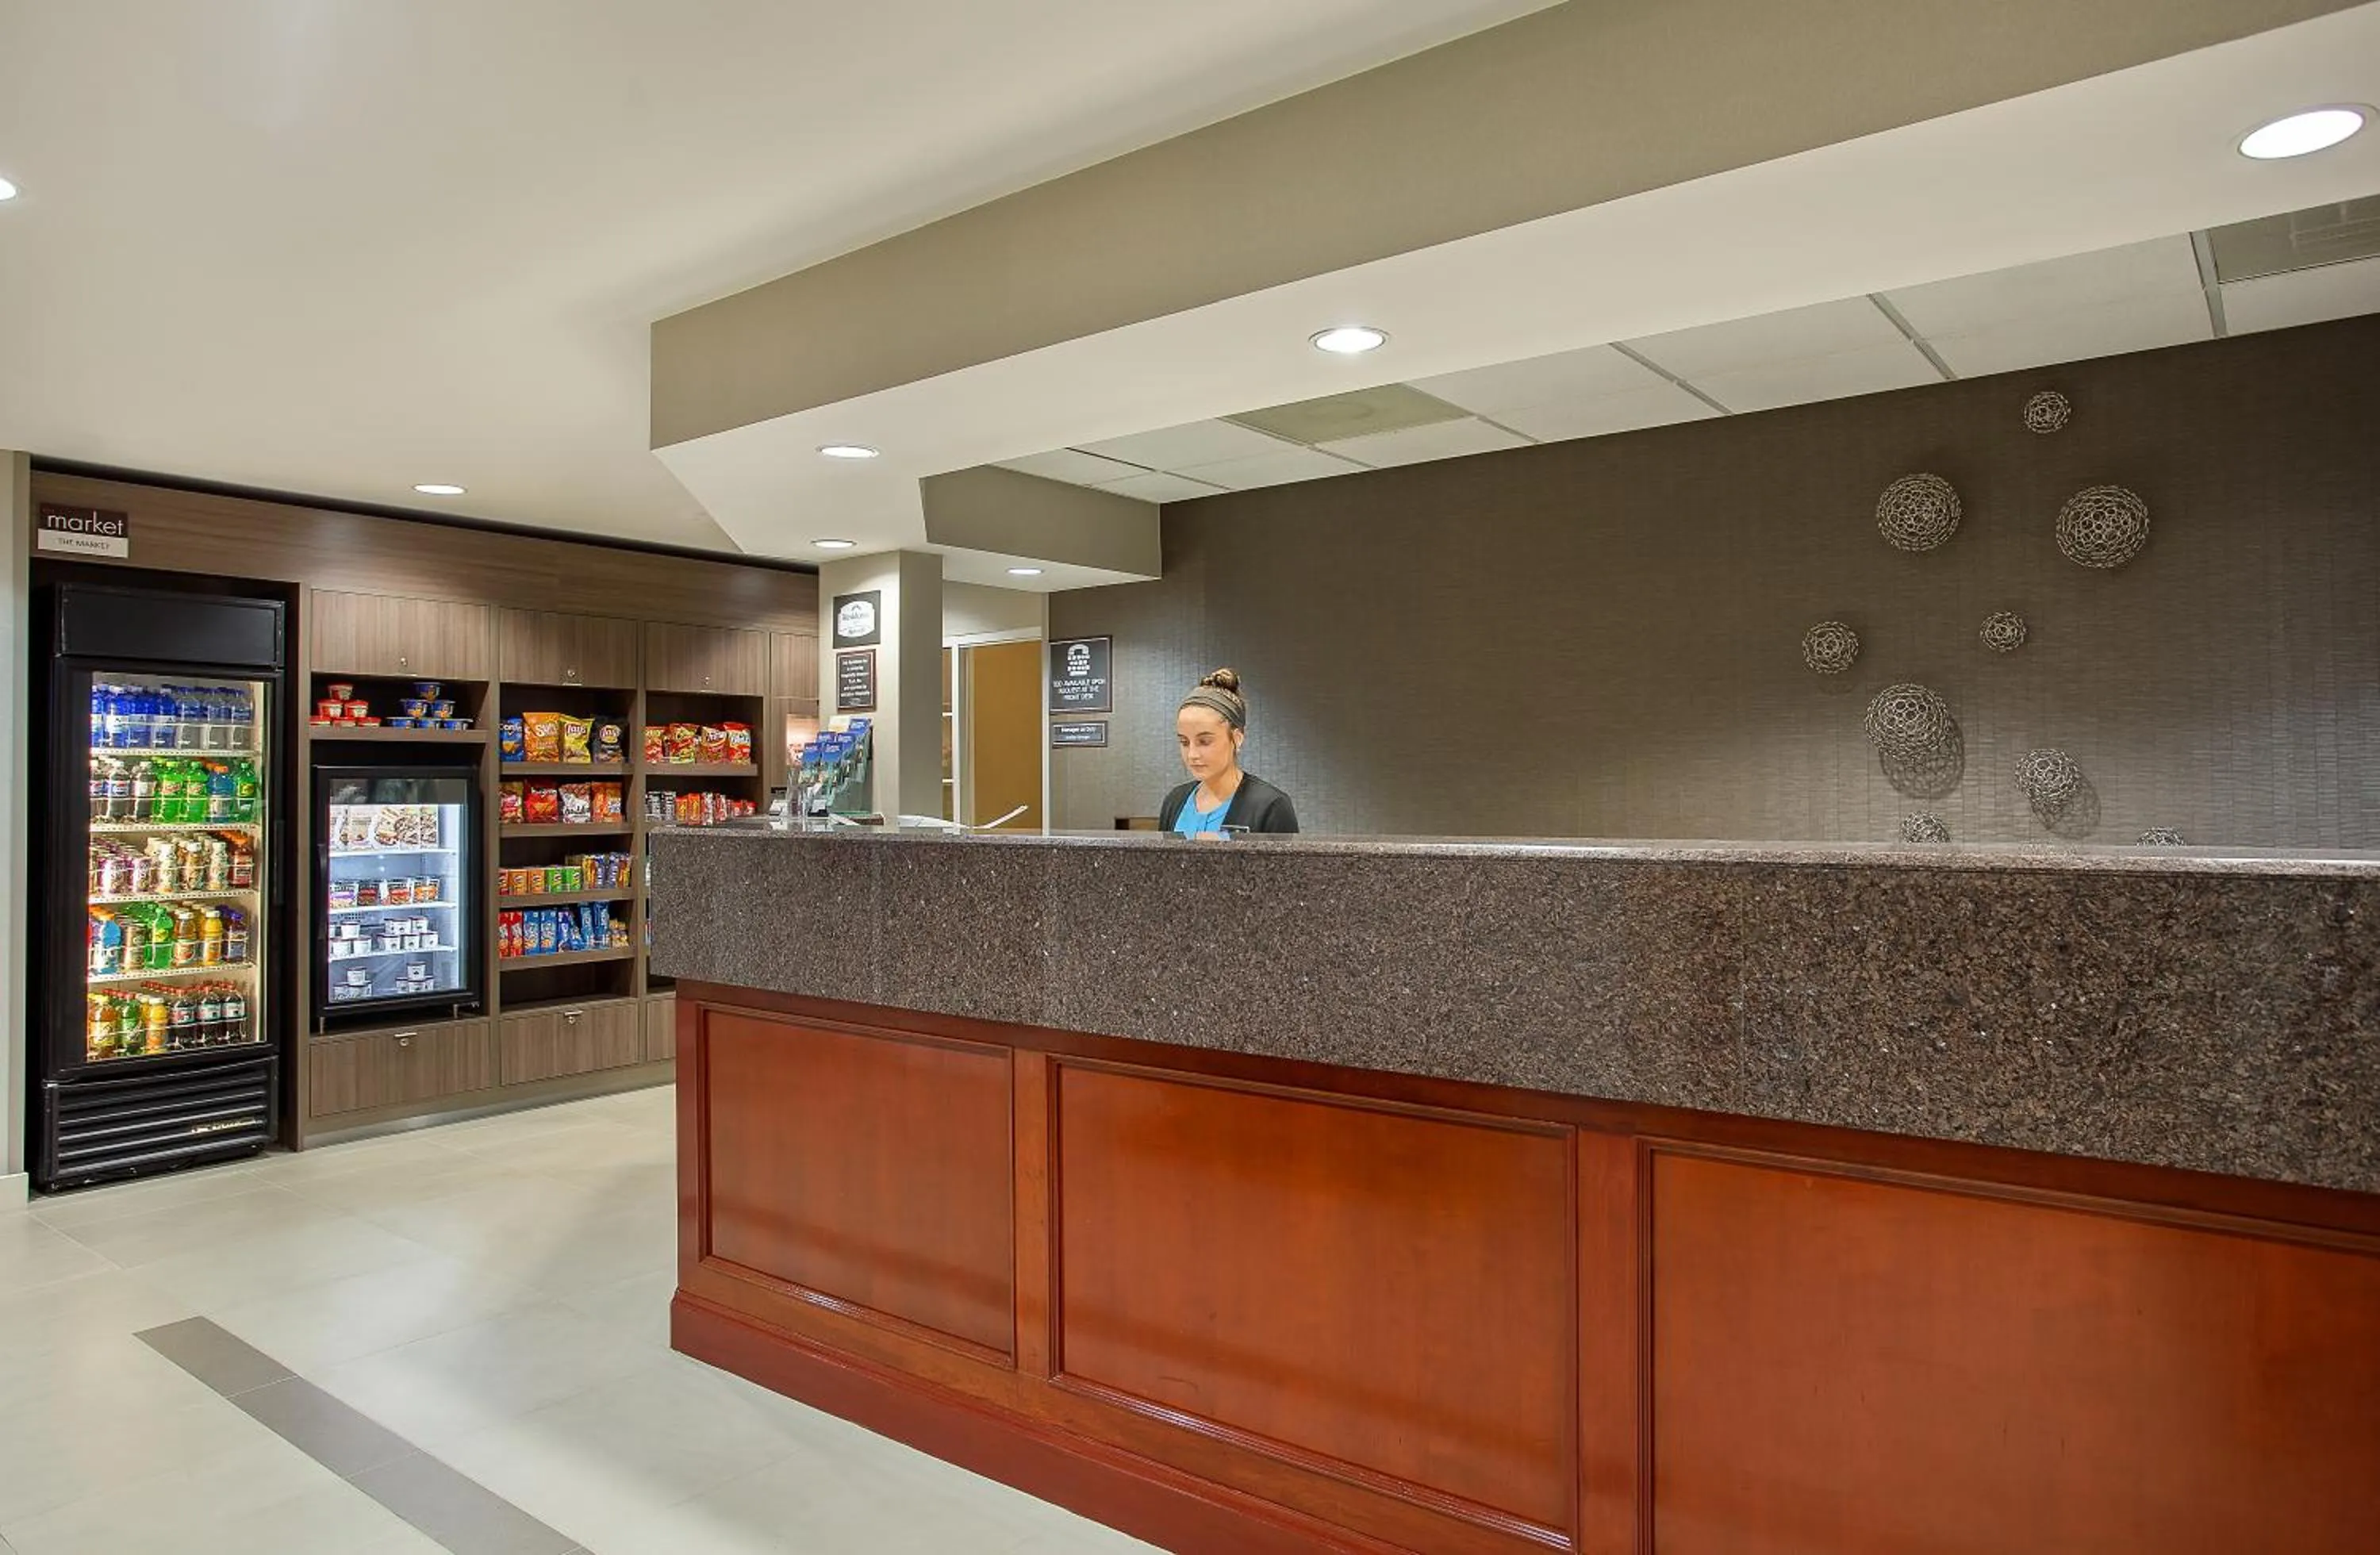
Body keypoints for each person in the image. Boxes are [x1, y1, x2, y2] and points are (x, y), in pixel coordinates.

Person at [1159, 668, 1299, 838]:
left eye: (1204, 742)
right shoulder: (1174, 802)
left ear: (1237, 738)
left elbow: (1288, 865)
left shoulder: (1270, 806)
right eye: (1184, 742)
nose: (1192, 755)